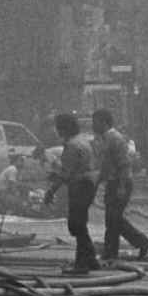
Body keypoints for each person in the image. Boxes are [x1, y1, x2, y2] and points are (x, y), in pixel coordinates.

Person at [92, 109, 148, 262]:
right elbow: (106, 165)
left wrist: (121, 186)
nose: (93, 125)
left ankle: (113, 252)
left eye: (95, 122)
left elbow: (124, 165)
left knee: (113, 219)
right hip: (113, 182)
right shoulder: (105, 138)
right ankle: (139, 243)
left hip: (120, 182)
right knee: (113, 219)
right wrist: (98, 182)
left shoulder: (115, 139)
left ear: (104, 122)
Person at [44, 112, 100, 274]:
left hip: (79, 187)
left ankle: (81, 265)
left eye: (57, 127)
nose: (55, 131)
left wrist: (51, 190)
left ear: (63, 128)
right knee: (80, 223)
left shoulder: (71, 146)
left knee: (77, 224)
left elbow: (65, 174)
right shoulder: (83, 141)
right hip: (88, 185)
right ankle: (90, 259)